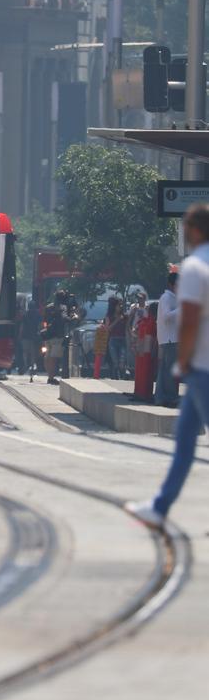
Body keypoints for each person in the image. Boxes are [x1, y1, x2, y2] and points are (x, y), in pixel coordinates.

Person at [126, 204, 209, 529]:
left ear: (197, 230)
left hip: (202, 366)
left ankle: (160, 507)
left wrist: (184, 361)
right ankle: (160, 507)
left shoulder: (193, 268)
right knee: (185, 435)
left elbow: (188, 319)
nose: (184, 233)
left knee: (186, 438)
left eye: (187, 227)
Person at [155, 271, 179, 408]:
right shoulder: (166, 298)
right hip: (170, 339)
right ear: (171, 284)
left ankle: (160, 397)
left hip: (170, 338)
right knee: (169, 370)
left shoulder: (173, 298)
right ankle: (171, 397)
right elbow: (166, 317)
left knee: (164, 370)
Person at [43, 289, 69, 385]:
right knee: (54, 358)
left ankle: (49, 376)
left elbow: (45, 321)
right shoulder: (63, 307)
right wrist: (73, 317)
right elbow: (65, 318)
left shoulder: (48, 307)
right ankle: (51, 377)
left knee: (48, 356)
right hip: (58, 335)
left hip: (48, 335)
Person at [105, 297, 127, 379]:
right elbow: (108, 329)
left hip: (122, 340)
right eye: (119, 305)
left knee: (122, 362)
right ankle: (115, 379)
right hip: (113, 340)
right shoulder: (109, 316)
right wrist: (117, 320)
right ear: (114, 306)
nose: (120, 306)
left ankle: (123, 378)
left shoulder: (124, 316)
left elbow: (127, 328)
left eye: (121, 305)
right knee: (115, 362)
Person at [20, 300, 41, 380]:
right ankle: (32, 366)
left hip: (25, 336)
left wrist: (19, 335)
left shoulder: (25, 315)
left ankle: (26, 364)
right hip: (34, 336)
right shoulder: (38, 315)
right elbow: (39, 326)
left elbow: (22, 326)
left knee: (25, 352)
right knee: (33, 353)